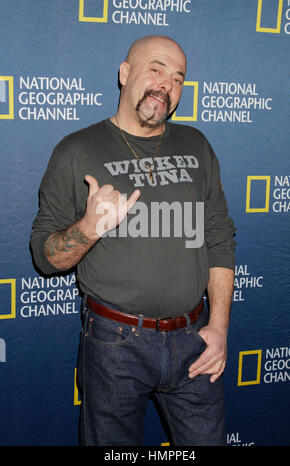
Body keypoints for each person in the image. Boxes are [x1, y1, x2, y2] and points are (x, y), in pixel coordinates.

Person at [30, 35, 236, 446]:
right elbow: (45, 257)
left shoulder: (197, 145)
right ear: (125, 74)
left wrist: (219, 327)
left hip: (194, 338)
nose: (166, 84)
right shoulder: (76, 150)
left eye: (178, 78)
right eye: (156, 68)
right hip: (114, 345)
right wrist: (89, 227)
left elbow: (219, 237)